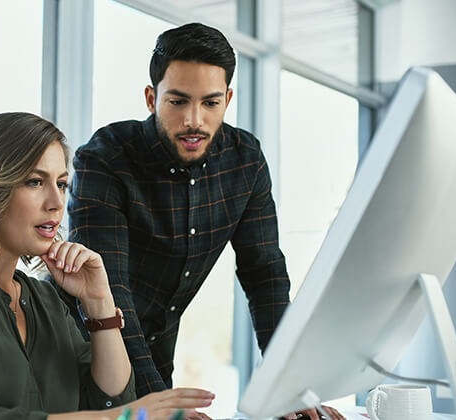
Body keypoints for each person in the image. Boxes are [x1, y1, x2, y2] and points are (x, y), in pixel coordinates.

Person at [65, 24, 344, 420]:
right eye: (178, 102)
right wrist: (161, 405)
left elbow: (264, 274)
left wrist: (290, 389)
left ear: (227, 99)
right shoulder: (107, 157)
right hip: (80, 347)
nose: (194, 120)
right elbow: (111, 290)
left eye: (210, 103)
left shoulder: (245, 161)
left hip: (155, 355)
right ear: (151, 98)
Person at [0, 112, 215, 420]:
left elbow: (110, 400)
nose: (57, 204)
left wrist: (99, 303)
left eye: (61, 184)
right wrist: (122, 417)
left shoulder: (44, 299)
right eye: (34, 182)